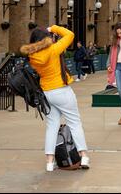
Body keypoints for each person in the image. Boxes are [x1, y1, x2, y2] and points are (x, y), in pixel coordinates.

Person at [20, 25, 89, 172]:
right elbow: (70, 35)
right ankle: (84, 156)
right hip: (62, 91)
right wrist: (53, 28)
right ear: (46, 38)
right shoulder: (53, 50)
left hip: (47, 93)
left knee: (52, 127)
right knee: (75, 123)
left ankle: (50, 162)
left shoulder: (32, 56)